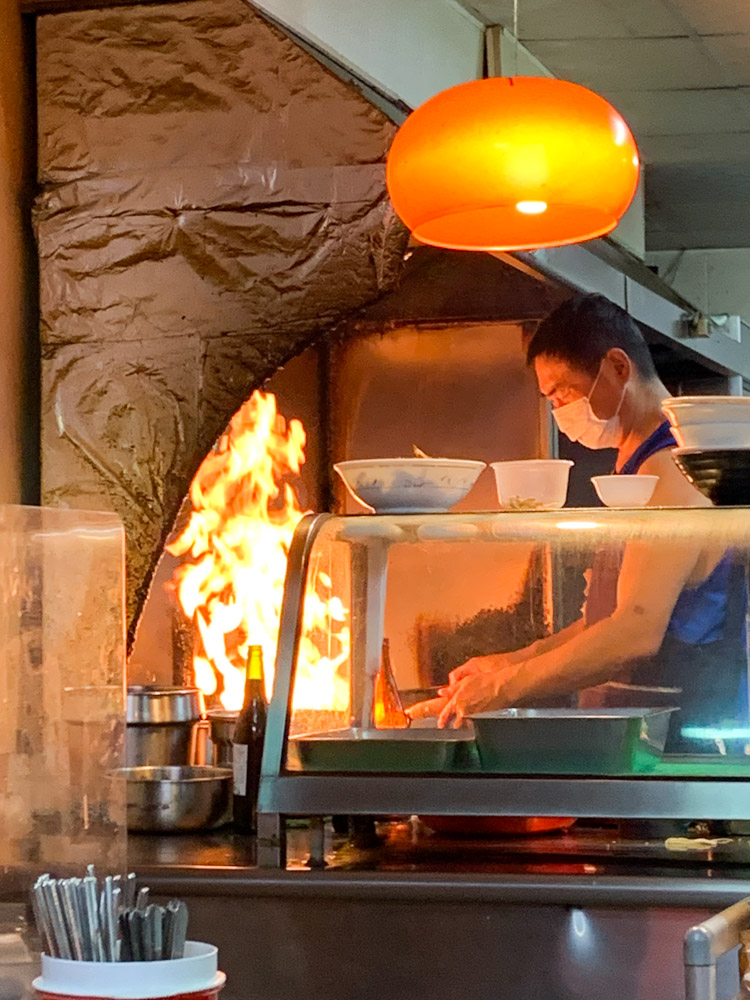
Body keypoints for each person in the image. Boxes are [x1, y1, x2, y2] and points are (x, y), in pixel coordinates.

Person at [409, 293, 749, 752]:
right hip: (636, 734)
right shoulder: (633, 464)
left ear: (617, 367)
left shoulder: (670, 467)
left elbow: (634, 632)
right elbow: (603, 617)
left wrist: (503, 690)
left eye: (562, 392)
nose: (558, 410)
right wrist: (506, 664)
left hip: (681, 742)